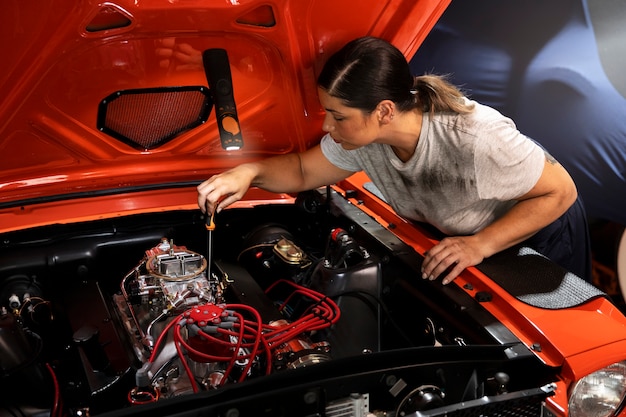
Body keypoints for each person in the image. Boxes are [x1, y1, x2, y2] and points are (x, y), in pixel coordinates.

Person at [197, 36, 592, 284]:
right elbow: (303, 170)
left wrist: (480, 245)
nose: (328, 125)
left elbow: (560, 192)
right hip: (464, 234)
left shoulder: (475, 137)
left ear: (384, 111)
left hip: (537, 237)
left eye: (337, 115)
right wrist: (249, 171)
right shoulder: (365, 139)